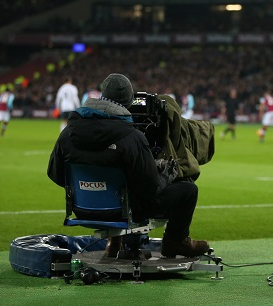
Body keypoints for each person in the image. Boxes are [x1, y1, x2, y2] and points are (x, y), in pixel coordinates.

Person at [47, 73, 210, 258]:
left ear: (102, 96)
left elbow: (55, 174)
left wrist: (92, 188)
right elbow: (150, 188)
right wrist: (167, 174)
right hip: (123, 211)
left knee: (128, 190)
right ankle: (175, 242)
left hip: (82, 208)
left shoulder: (68, 132)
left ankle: (114, 242)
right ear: (129, 101)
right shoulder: (131, 137)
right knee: (188, 191)